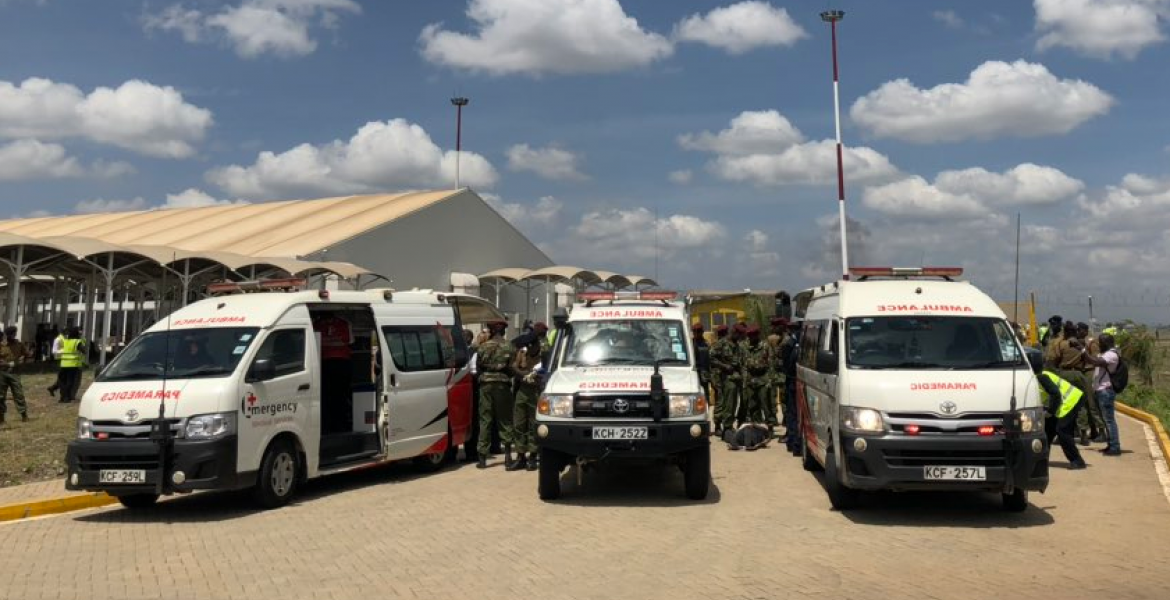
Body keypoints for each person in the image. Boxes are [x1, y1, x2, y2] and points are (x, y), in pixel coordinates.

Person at [476, 321, 514, 469]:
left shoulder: (483, 346)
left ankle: (482, 458)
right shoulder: (509, 346)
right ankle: (508, 456)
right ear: (503, 331)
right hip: (502, 385)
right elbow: (512, 368)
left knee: (485, 419)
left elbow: (478, 366)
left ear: (491, 331)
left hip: (485, 384)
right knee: (504, 419)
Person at [1036, 365, 1087, 469]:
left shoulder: (1040, 377)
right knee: (1048, 431)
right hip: (1062, 404)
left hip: (1070, 401)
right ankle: (1041, 459)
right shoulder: (1037, 377)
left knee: (1062, 431)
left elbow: (1056, 394)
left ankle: (1077, 460)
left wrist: (1050, 412)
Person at [1081, 333, 1122, 456]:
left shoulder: (1111, 355)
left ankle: (1115, 447)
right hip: (1102, 390)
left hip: (1106, 391)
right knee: (1106, 419)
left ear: (1106, 343)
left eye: (1100, 343)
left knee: (1109, 421)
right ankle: (1110, 445)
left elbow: (1094, 361)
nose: (1098, 345)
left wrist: (1083, 350)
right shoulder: (1106, 353)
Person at [314, 312, 354, 435]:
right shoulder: (344, 323)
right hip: (342, 364)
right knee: (341, 398)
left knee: (326, 398)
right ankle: (341, 427)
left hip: (324, 365)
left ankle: (328, 428)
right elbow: (351, 342)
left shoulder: (316, 324)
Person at [509, 332, 543, 472]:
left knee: (533, 425)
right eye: (527, 347)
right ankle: (520, 456)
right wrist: (524, 375)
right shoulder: (522, 353)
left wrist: (535, 375)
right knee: (519, 423)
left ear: (536, 344)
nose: (529, 349)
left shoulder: (544, 355)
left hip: (537, 391)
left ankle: (533, 457)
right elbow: (514, 367)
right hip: (523, 390)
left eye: (531, 346)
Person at [710, 324, 743, 434]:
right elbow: (711, 357)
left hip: (736, 378)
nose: (739, 338)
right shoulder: (722, 343)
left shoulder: (737, 345)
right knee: (727, 403)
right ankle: (726, 426)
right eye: (738, 335)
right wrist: (724, 366)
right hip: (725, 378)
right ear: (734, 332)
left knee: (733, 403)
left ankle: (728, 425)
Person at [740, 326, 772, 427]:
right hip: (750, 379)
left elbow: (770, 363)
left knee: (765, 403)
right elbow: (742, 364)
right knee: (752, 405)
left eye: (753, 336)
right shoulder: (744, 346)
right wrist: (744, 380)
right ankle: (757, 425)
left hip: (762, 378)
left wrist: (769, 380)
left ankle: (770, 424)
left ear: (757, 335)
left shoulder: (765, 346)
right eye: (749, 336)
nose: (750, 338)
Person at [0, 327, 29, 423]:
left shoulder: (19, 344)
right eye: (10, 335)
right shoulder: (1, 345)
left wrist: (21, 362)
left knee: (18, 394)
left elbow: (26, 355)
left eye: (13, 334)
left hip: (14, 373)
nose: (12, 336)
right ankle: (1, 417)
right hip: (2, 373)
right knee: (1, 396)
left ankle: (24, 415)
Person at [780, 321, 801, 454]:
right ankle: (794, 442)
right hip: (795, 381)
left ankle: (793, 442)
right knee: (794, 413)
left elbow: (786, 365)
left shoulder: (790, 344)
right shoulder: (796, 343)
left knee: (793, 413)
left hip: (793, 381)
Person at [708, 325, 729, 435]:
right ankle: (717, 425)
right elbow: (711, 358)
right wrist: (724, 366)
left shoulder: (725, 343)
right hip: (718, 376)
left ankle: (724, 424)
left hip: (723, 376)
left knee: (725, 400)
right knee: (720, 400)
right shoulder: (718, 344)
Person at [57, 327, 87, 403]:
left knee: (63, 381)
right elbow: (84, 351)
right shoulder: (77, 341)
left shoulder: (66, 341)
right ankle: (67, 397)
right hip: (72, 364)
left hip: (63, 364)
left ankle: (62, 397)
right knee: (70, 382)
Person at [692, 323, 711, 407]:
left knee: (705, 390)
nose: (696, 333)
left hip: (704, 371)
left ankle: (706, 405)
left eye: (698, 331)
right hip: (693, 371)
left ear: (702, 332)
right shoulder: (690, 343)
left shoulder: (706, 344)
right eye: (695, 331)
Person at [46, 327, 66, 397]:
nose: (67, 333)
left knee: (63, 377)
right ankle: (56, 389)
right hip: (59, 360)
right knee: (62, 377)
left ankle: (52, 388)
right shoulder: (57, 339)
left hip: (65, 359)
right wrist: (64, 351)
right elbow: (54, 351)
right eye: (66, 331)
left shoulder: (64, 339)